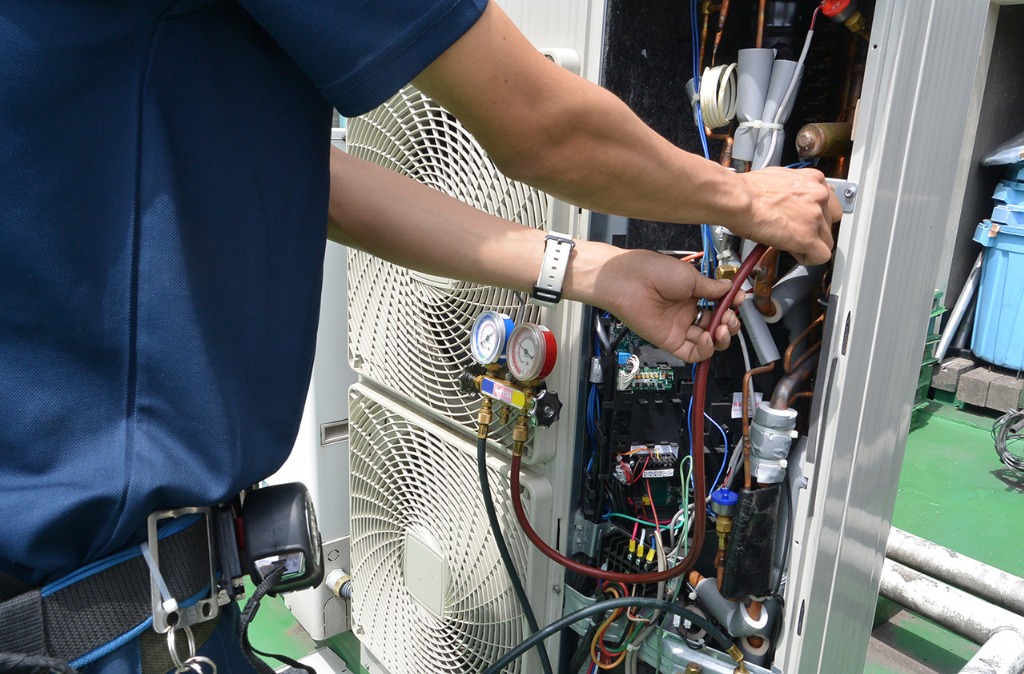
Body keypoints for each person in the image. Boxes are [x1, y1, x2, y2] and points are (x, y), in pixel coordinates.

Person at [0, 1, 840, 672]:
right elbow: (540, 119)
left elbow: (305, 174)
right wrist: (746, 199)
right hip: (97, 625)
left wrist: (591, 271)